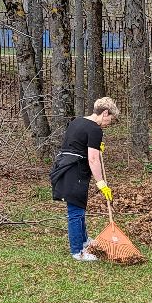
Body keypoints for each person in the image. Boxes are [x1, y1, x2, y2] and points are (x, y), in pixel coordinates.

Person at [50, 97, 120, 261]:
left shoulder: (77, 122)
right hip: (75, 171)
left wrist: (96, 146)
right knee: (75, 212)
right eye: (110, 119)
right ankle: (78, 252)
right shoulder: (95, 129)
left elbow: (77, 144)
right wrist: (101, 183)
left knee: (79, 208)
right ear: (105, 113)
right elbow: (93, 159)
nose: (109, 123)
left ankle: (84, 240)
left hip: (64, 167)